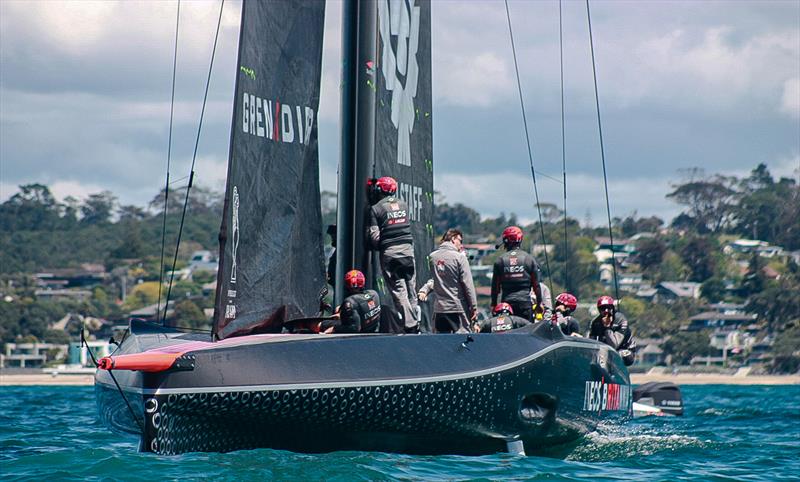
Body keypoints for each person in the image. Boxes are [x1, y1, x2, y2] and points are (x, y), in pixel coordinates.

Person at [367, 176, 419, 333]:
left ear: (379, 190)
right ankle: (417, 321)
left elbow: (375, 238)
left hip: (390, 253)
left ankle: (410, 325)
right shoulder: (403, 204)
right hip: (407, 251)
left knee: (399, 291)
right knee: (411, 289)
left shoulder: (375, 209)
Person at [417, 229, 477, 333]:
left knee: (441, 342)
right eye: (460, 241)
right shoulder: (460, 258)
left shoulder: (432, 257)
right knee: (462, 341)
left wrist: (424, 289)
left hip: (439, 310)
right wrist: (474, 307)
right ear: (453, 239)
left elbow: (436, 280)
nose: (460, 244)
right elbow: (468, 284)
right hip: (457, 308)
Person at [491, 226, 543, 322]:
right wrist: (539, 303)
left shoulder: (500, 261)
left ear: (505, 241)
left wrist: (493, 304)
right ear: (520, 240)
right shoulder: (529, 259)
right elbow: (536, 286)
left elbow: (495, 287)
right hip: (525, 304)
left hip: (506, 305)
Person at [588, 295, 636, 365]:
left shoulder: (620, 319)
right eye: (603, 308)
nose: (606, 311)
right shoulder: (595, 322)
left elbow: (614, 345)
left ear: (613, 308)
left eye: (608, 308)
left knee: (623, 356)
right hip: (606, 350)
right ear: (599, 310)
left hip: (625, 349)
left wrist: (607, 327)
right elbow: (592, 343)